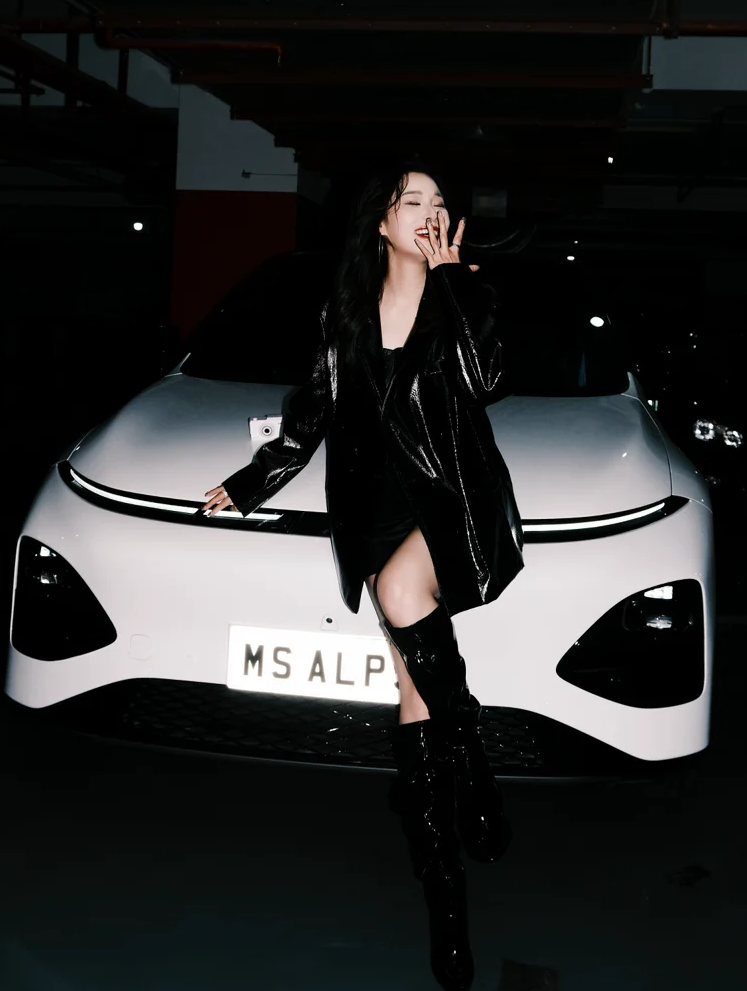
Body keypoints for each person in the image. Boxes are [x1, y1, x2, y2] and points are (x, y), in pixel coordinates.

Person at [203, 161, 524, 991]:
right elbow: (311, 410)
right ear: (380, 223)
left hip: (451, 503)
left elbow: (486, 382)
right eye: (412, 201)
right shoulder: (344, 311)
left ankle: (450, 903)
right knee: (416, 690)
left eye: (440, 202)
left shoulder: (461, 297)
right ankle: (468, 804)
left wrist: (457, 285)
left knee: (400, 594)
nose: (430, 212)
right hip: (374, 515)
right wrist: (253, 480)